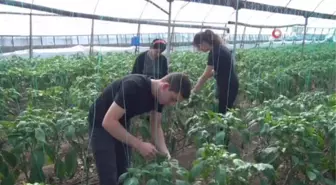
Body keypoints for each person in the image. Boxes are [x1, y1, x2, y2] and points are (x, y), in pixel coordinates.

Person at [87, 72, 191, 185]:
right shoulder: (133, 86)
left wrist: (167, 157)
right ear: (164, 86)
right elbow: (108, 122)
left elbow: (156, 126)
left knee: (124, 172)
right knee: (109, 174)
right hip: (100, 122)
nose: (171, 104)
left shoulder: (160, 97)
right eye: (173, 99)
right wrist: (139, 145)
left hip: (121, 121)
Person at [191, 29, 239, 115]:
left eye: (199, 46)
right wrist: (209, 75)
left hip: (227, 86)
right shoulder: (220, 48)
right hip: (230, 84)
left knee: (223, 113)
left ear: (204, 42)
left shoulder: (215, 53)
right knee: (226, 111)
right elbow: (221, 68)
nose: (199, 49)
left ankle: (224, 129)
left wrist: (194, 91)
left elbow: (205, 76)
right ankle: (225, 128)